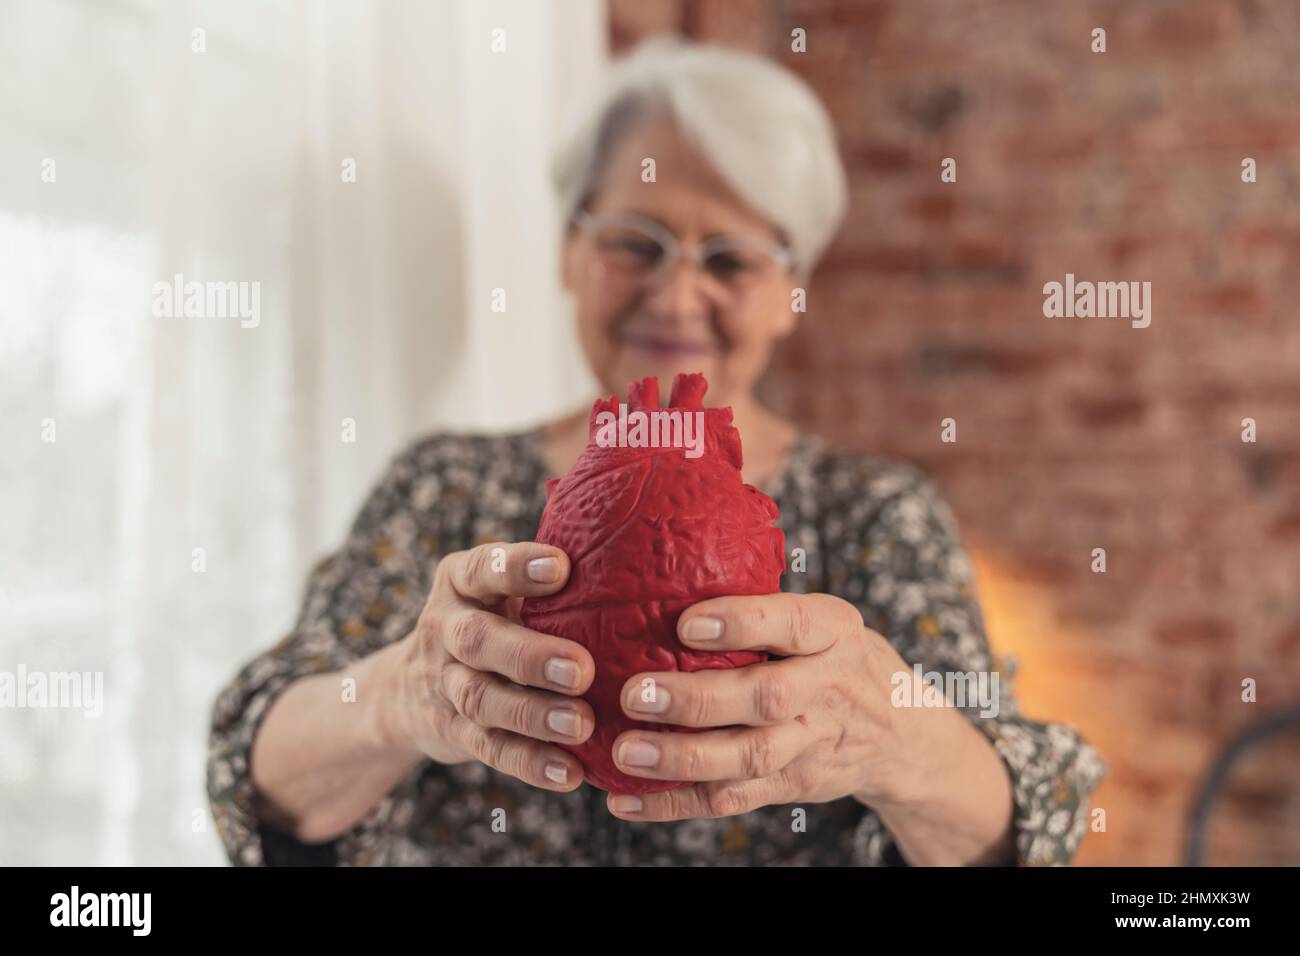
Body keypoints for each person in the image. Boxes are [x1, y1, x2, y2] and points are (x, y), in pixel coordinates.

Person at [207, 37, 1104, 866]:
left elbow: (1010, 827)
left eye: (731, 260)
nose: (677, 298)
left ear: (792, 293)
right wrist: (398, 697)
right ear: (568, 254)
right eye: (636, 243)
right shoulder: (447, 487)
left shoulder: (876, 513)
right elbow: (262, 774)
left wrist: (902, 743)